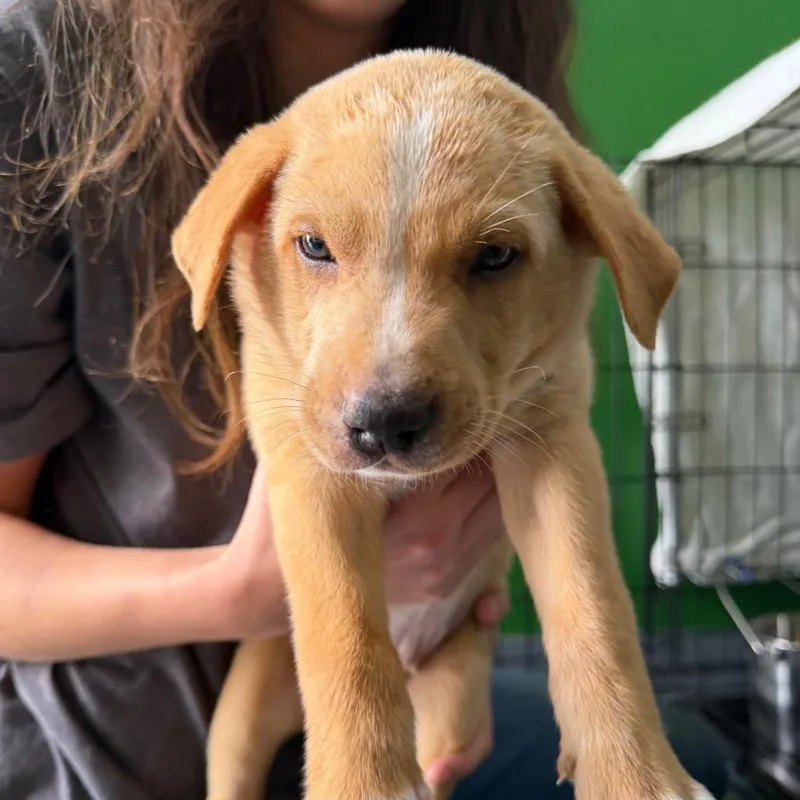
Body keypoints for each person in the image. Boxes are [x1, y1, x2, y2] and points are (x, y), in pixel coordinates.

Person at [0, 1, 731, 798]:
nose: (391, 377)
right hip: (86, 739)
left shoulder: (500, 75)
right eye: (315, 247)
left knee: (708, 754)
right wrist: (240, 592)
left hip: (403, 670)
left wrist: (472, 653)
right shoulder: (40, 64)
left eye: (489, 256)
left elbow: (549, 468)